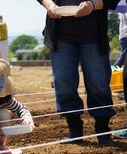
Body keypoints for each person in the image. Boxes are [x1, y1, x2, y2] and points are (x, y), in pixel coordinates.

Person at [37, 0, 120, 145]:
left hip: (94, 34)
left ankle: (102, 129)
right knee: (64, 81)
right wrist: (49, 5)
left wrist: (93, 4)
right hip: (60, 34)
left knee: (98, 82)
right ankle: (74, 128)